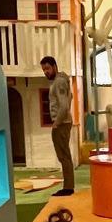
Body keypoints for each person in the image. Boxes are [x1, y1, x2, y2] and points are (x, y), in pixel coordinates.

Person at [41, 56, 76, 195]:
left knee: (64, 156)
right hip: (64, 122)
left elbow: (64, 105)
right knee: (64, 155)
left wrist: (57, 122)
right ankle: (68, 186)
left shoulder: (59, 82)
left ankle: (68, 188)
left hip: (61, 123)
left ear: (55, 66)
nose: (46, 72)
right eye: (44, 69)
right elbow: (70, 97)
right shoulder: (61, 80)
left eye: (47, 68)